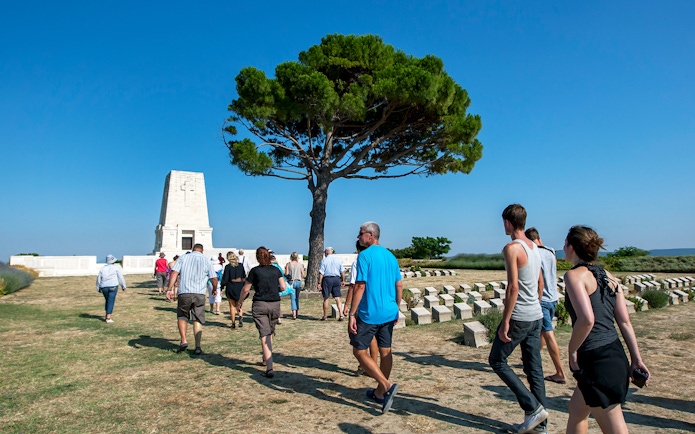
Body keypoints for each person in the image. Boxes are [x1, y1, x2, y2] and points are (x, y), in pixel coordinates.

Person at [563, 226, 650, 434]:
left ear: (572, 247)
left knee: (615, 428)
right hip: (614, 354)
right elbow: (625, 322)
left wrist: (572, 350)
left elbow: (586, 320)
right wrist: (636, 359)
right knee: (576, 411)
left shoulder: (574, 276)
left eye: (565, 244)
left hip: (596, 360)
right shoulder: (609, 276)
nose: (564, 248)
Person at [488, 204, 548, 434]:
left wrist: (505, 321)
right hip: (536, 315)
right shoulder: (534, 246)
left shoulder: (511, 248)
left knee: (497, 360)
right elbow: (540, 284)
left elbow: (513, 287)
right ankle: (540, 426)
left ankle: (532, 408)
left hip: (520, 317)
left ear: (508, 222)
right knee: (534, 369)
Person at [347, 222, 402, 414]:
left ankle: (386, 385)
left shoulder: (365, 256)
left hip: (370, 313)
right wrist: (397, 307)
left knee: (359, 351)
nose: (358, 237)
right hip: (388, 311)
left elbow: (360, 286)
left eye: (360, 234)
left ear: (370, 235)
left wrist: (352, 313)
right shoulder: (391, 256)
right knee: (386, 351)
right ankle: (379, 393)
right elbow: (399, 285)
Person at [525, 227, 566, 384]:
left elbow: (538, 281)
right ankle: (529, 358)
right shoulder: (550, 251)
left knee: (548, 334)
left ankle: (560, 372)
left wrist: (537, 299)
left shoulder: (535, 253)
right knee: (543, 332)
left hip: (543, 300)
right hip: (554, 297)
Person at [238, 246, 286, 378]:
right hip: (275, 303)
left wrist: (240, 302)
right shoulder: (276, 270)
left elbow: (245, 290)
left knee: (264, 334)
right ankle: (266, 358)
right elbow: (283, 286)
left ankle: (269, 367)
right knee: (269, 332)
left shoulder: (255, 271)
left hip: (260, 304)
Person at [166, 243, 218, 355]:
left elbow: (174, 272)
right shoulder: (206, 260)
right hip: (199, 293)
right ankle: (198, 346)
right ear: (202, 251)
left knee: (182, 316)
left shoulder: (183, 258)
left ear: (192, 249)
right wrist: (214, 289)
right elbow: (214, 278)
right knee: (197, 318)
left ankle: (183, 340)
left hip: (184, 291)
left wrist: (169, 288)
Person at [343, 240, 378, 376]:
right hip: (374, 302)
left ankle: (365, 365)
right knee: (372, 336)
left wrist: (347, 305)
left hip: (361, 304)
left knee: (359, 338)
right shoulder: (375, 261)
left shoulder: (358, 262)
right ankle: (373, 363)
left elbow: (354, 285)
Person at [96, 254, 127, 323]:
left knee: (107, 300)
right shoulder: (116, 268)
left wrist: (98, 287)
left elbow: (98, 279)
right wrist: (123, 285)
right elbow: (120, 277)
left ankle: (107, 314)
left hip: (104, 286)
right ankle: (108, 318)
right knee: (111, 301)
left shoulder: (102, 268)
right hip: (113, 286)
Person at [317, 247, 345, 321]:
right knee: (337, 298)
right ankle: (341, 315)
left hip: (327, 279)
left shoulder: (324, 260)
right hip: (336, 278)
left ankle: (325, 316)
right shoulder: (338, 260)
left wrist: (319, 282)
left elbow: (321, 272)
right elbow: (342, 271)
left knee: (326, 298)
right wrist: (343, 280)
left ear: (326, 253)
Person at [221, 251, 246, 328]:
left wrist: (222, 286)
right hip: (239, 286)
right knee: (239, 304)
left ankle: (233, 323)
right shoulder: (241, 266)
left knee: (232, 306)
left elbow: (225, 279)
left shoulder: (228, 267)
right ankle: (240, 316)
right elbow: (244, 277)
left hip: (231, 286)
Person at [284, 252, 305, 319]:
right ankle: (297, 311)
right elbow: (303, 274)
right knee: (297, 298)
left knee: (293, 298)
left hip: (291, 282)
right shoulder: (300, 264)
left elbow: (286, 274)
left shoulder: (288, 264)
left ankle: (294, 314)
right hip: (298, 281)